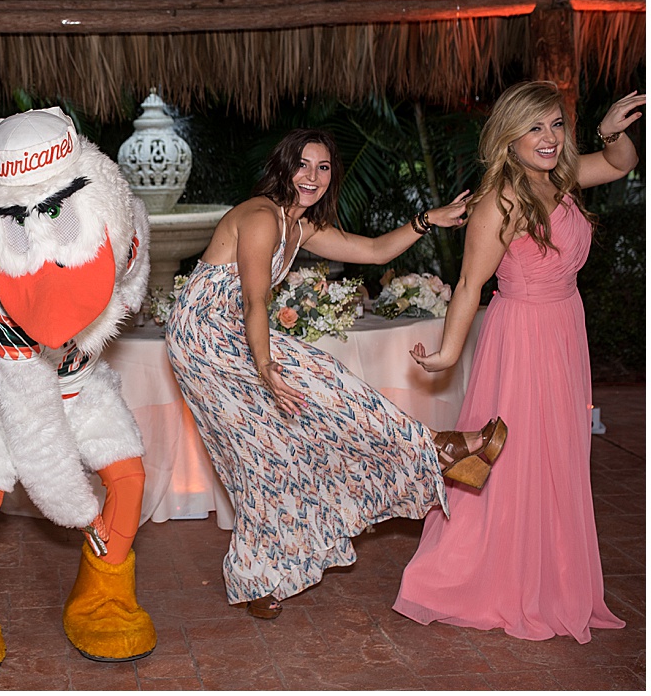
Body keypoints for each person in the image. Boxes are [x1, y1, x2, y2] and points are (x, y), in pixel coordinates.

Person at [165, 127, 503, 620]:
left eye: (323, 168)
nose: (312, 176)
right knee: (314, 389)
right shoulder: (261, 217)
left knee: (269, 454)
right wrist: (266, 369)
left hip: (232, 333)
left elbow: (375, 251)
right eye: (303, 164)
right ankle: (438, 447)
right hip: (204, 339)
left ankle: (255, 575)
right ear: (283, 166)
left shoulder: (301, 227)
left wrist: (428, 219)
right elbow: (256, 300)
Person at [394, 84, 644, 643]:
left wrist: (608, 131)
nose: (550, 138)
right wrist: (449, 353)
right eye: (536, 128)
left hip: (564, 330)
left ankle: (551, 571)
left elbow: (622, 163)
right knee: (511, 455)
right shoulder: (500, 202)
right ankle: (492, 574)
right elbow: (468, 285)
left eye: (556, 125)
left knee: (560, 452)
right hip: (523, 338)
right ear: (509, 136)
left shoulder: (561, 180)